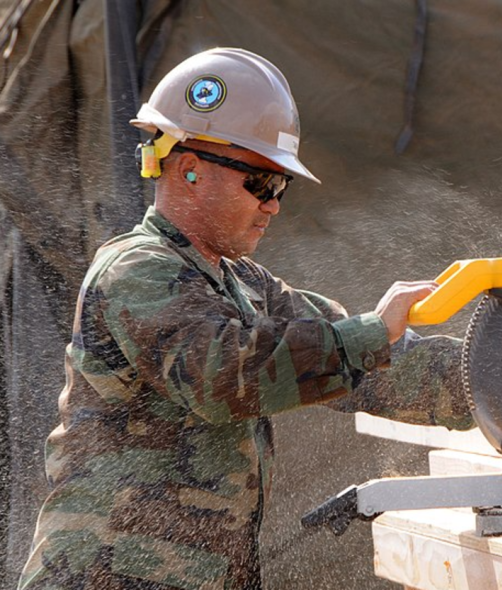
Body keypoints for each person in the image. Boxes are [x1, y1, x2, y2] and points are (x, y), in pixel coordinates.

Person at [18, 47, 471, 590]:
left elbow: (373, 364)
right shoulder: (136, 270)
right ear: (187, 169)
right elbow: (227, 377)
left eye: (282, 186)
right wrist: (370, 333)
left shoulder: (243, 284)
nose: (273, 203)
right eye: (260, 182)